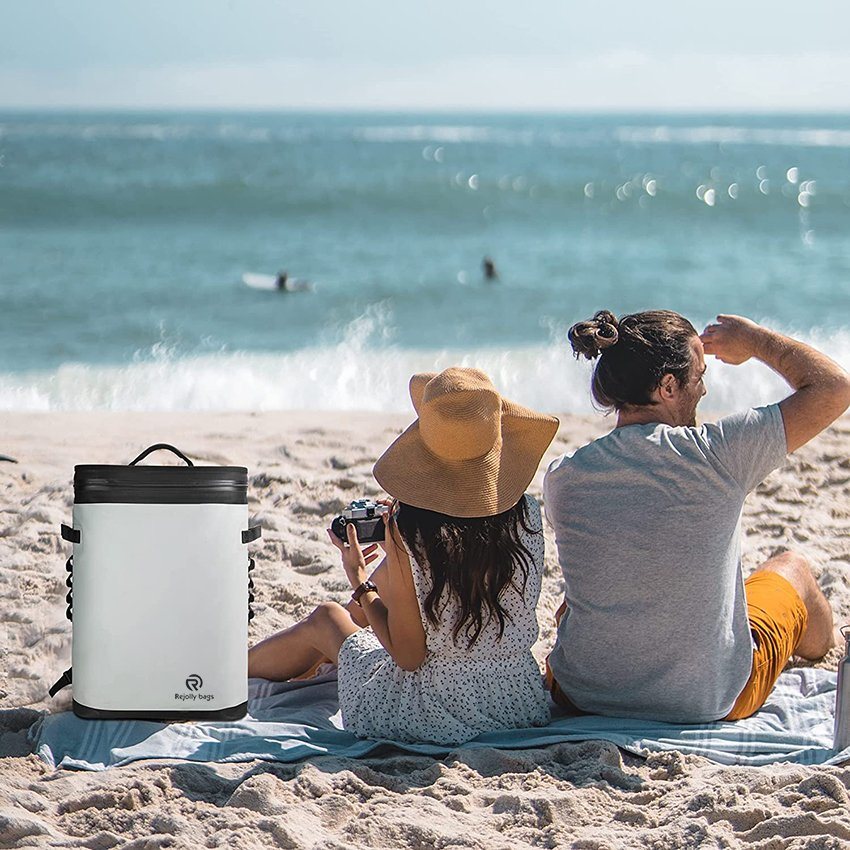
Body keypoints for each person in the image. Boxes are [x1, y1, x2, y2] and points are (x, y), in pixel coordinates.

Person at [544, 310, 850, 723]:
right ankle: (828, 642)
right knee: (792, 569)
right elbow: (834, 387)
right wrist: (755, 340)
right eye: (699, 375)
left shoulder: (564, 475)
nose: (704, 390)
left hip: (581, 693)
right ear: (668, 386)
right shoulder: (717, 455)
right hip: (704, 701)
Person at [248, 367, 559, 744]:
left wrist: (361, 579)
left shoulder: (412, 529)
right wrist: (396, 558)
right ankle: (299, 666)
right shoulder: (525, 512)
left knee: (328, 618)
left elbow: (408, 657)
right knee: (366, 608)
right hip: (516, 701)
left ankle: (230, 673)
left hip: (433, 712)